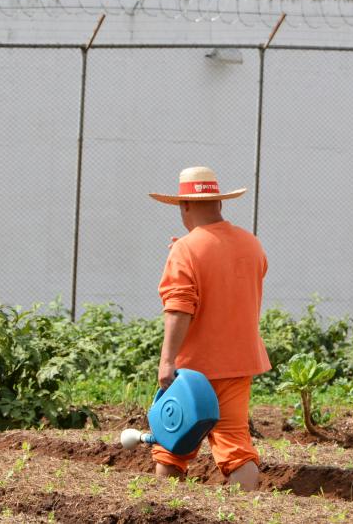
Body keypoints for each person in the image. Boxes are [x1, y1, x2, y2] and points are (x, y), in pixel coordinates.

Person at [148, 166, 271, 491]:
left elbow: (179, 307)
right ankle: (241, 514)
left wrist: (167, 360)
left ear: (183, 205)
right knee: (236, 450)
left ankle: (166, 513)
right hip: (238, 364)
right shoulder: (252, 245)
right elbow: (228, 284)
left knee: (172, 449)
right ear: (219, 202)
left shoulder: (185, 250)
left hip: (192, 371)